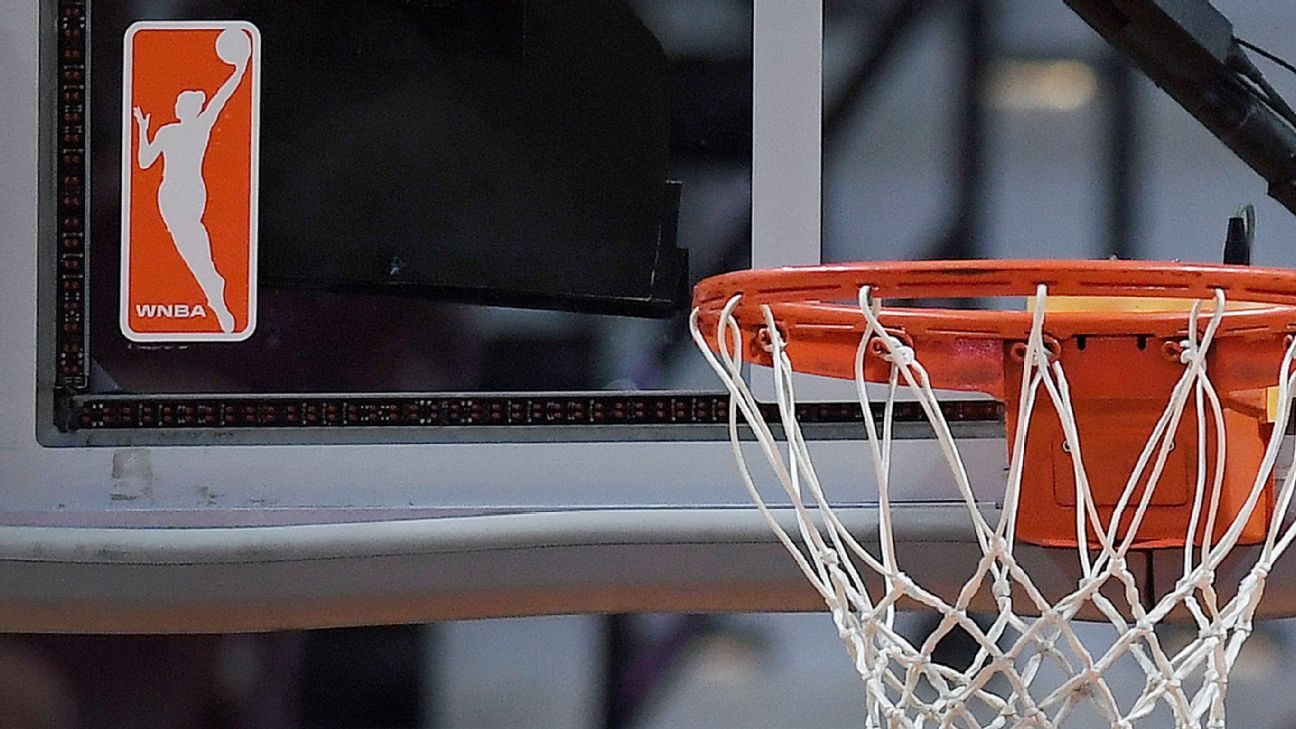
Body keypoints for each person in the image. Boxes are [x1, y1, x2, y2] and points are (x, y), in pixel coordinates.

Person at [133, 32, 249, 334]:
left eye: (185, 103)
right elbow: (144, 162)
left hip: (185, 193)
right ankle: (213, 288)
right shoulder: (176, 130)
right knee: (189, 241)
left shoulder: (196, 127)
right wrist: (142, 129)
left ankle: (214, 289)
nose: (181, 106)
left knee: (191, 240)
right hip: (172, 194)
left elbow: (222, 98)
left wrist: (240, 69)